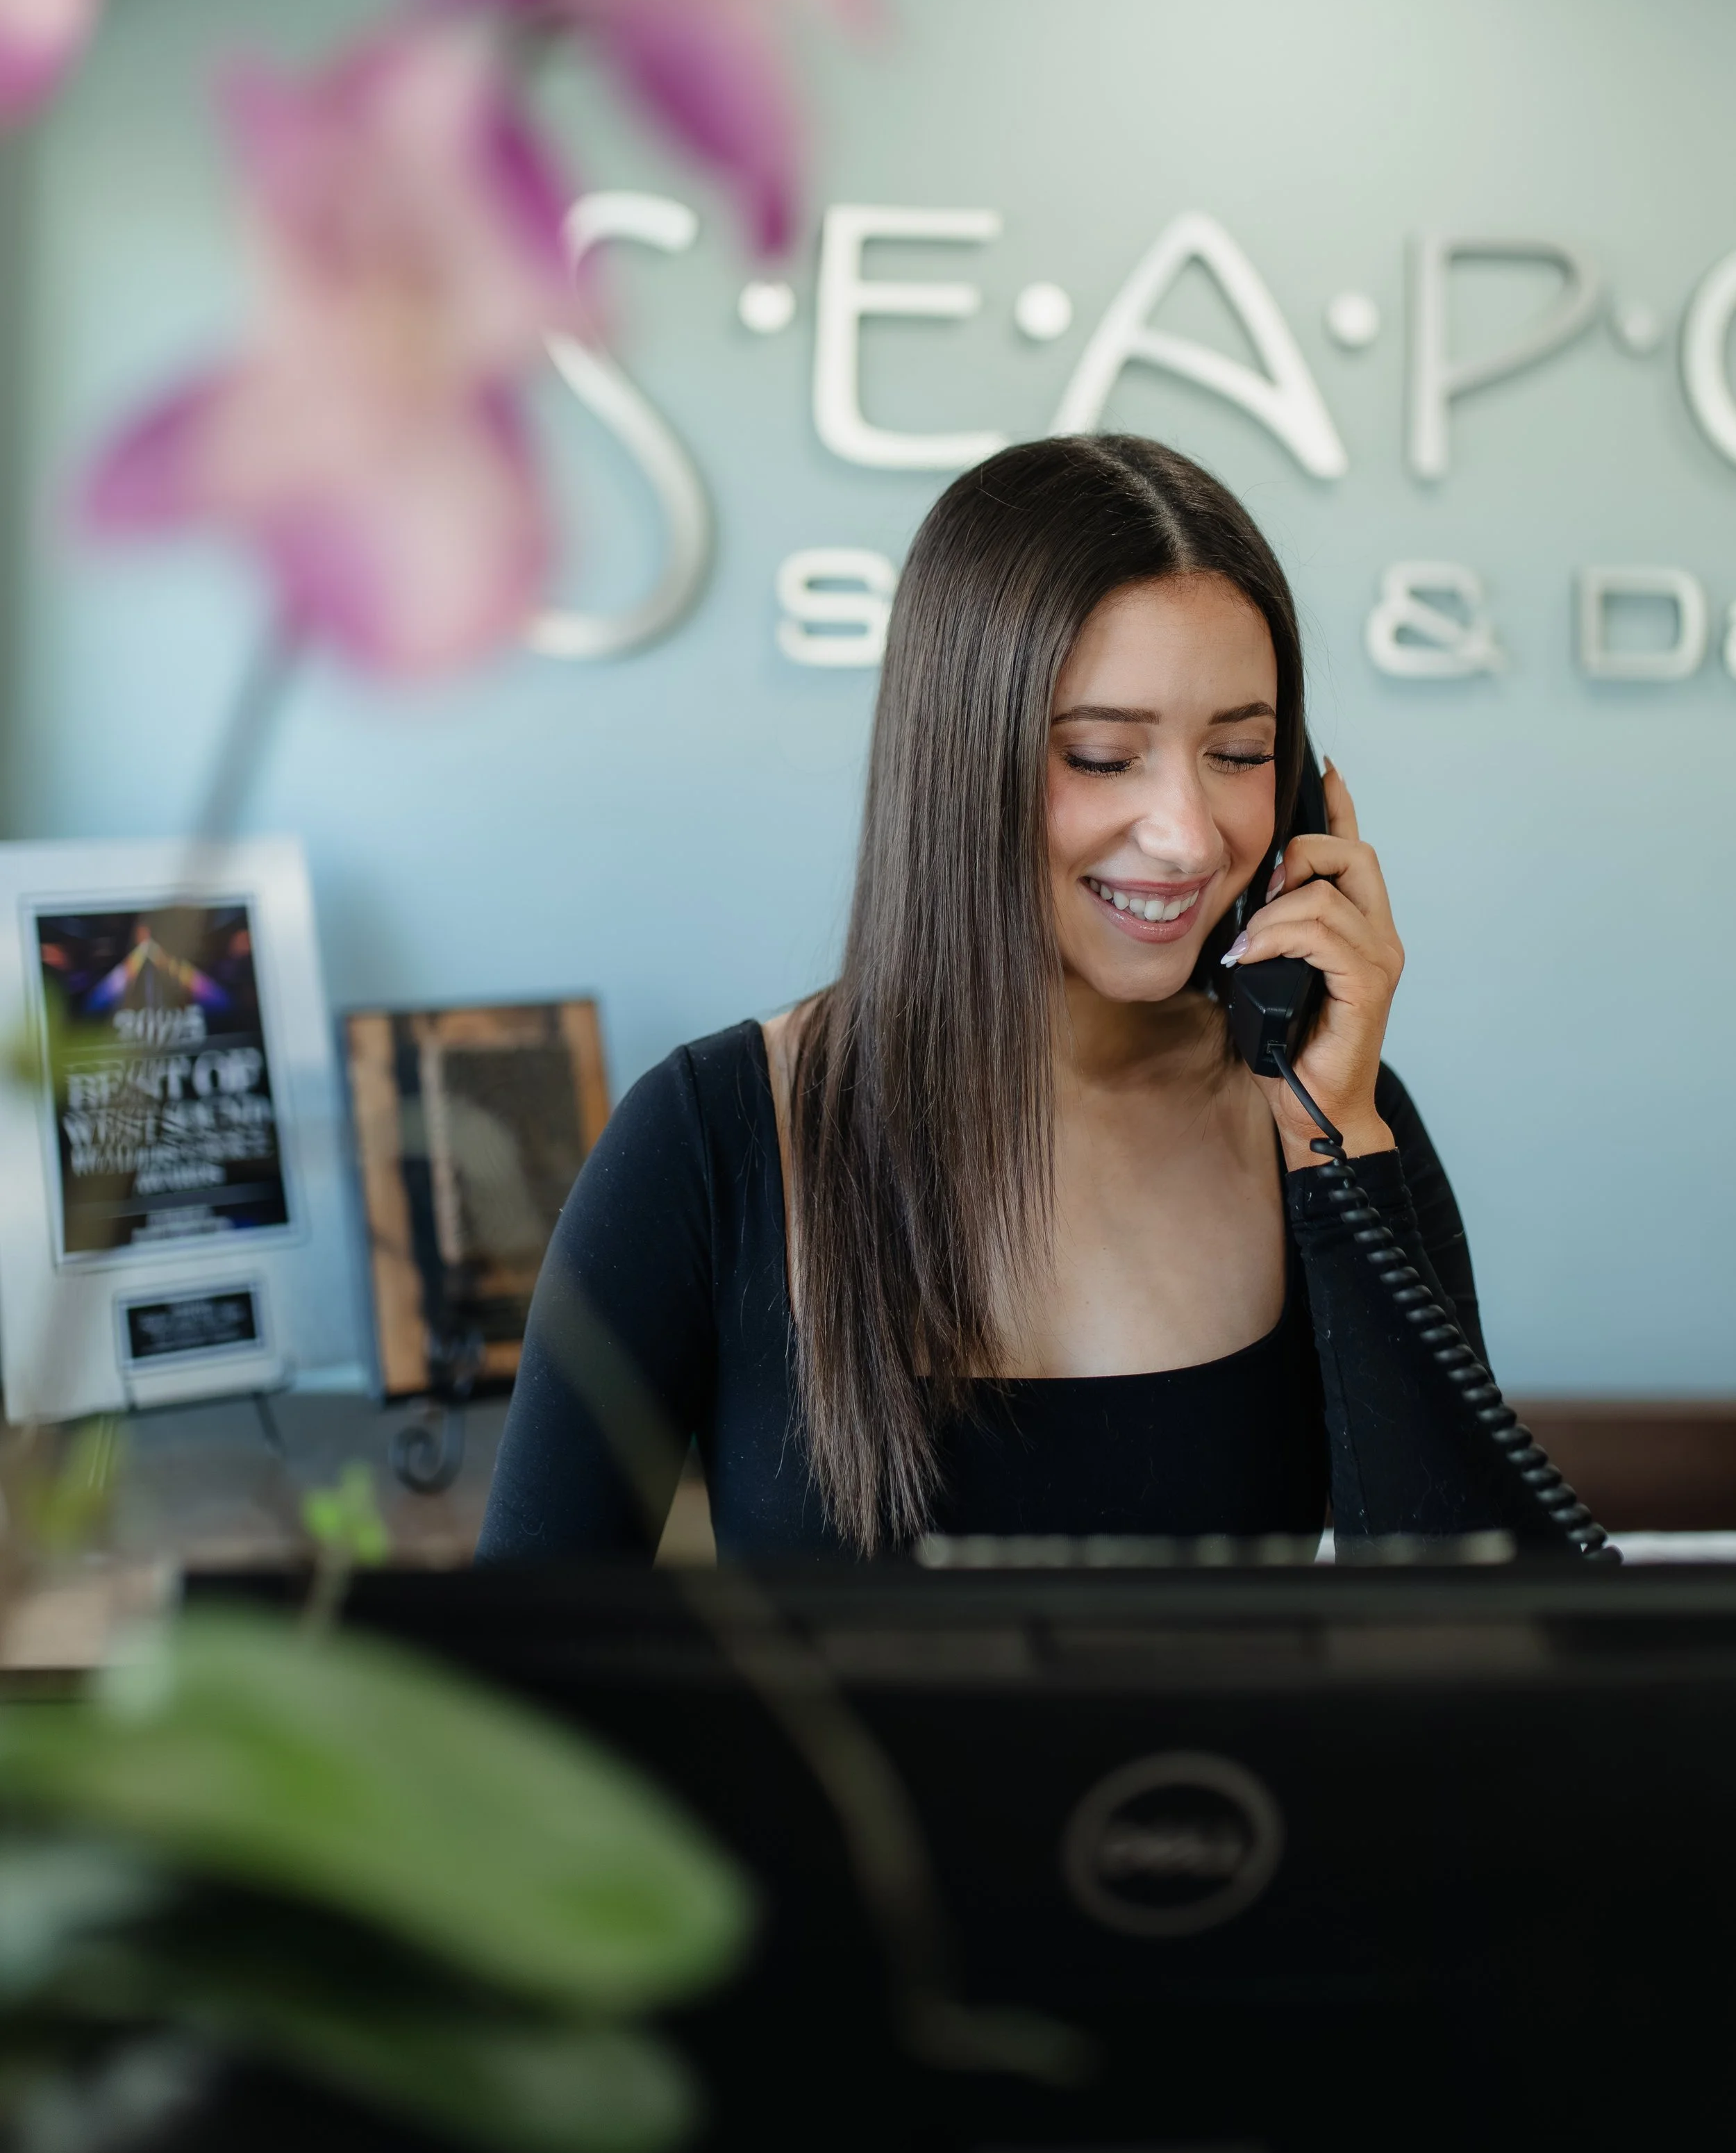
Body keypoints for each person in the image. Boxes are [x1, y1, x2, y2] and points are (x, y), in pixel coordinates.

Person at [478, 434, 1578, 1562]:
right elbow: (507, 1693)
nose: (1189, 835)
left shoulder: (1325, 1110)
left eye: (1240, 751)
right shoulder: (710, 1137)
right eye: (1104, 756)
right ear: (958, 761)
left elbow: (1479, 1638)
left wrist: (1336, 1144)